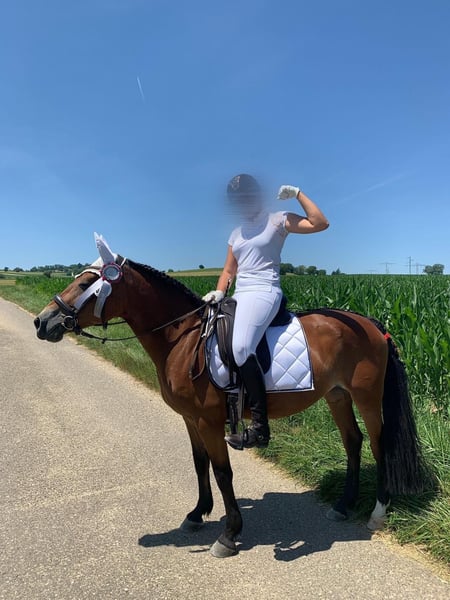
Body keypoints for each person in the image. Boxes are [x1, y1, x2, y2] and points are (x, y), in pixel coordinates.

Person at [203, 174, 329, 450]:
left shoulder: (277, 220)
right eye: (238, 200)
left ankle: (260, 427)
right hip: (240, 294)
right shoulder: (236, 233)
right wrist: (220, 291)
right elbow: (229, 270)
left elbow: (320, 223)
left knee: (241, 347)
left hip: (265, 291)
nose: (242, 203)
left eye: (246, 197)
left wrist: (298, 193)